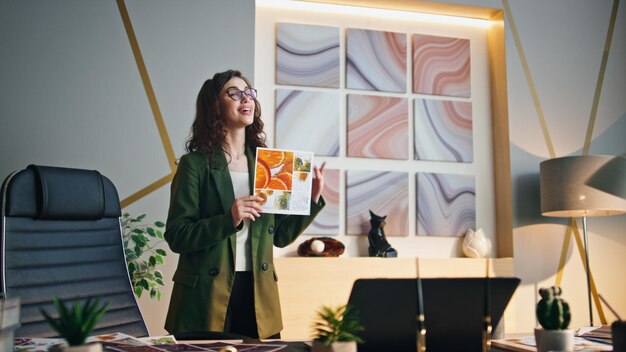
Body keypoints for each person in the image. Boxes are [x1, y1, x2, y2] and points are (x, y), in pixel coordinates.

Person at [163, 69, 326, 339]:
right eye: (234, 93)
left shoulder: (272, 165)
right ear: (215, 105)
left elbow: (282, 237)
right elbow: (177, 236)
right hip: (205, 297)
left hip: (258, 293)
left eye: (249, 93)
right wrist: (229, 219)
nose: (245, 98)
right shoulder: (194, 165)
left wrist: (311, 200)